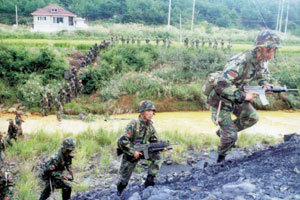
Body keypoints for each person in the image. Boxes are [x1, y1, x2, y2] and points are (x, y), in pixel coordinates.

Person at [207, 30, 280, 163]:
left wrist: (265, 84)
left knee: (252, 117)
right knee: (231, 136)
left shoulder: (261, 60)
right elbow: (220, 85)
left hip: (237, 97)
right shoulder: (241, 61)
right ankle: (220, 161)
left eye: (274, 50)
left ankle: (224, 133)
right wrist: (244, 95)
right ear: (261, 48)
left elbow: (262, 75)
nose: (272, 53)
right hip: (220, 99)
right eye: (270, 50)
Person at [116, 100, 167, 196]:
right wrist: (133, 152)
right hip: (131, 153)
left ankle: (149, 181)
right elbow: (122, 140)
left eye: (152, 111)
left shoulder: (150, 126)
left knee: (158, 156)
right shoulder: (134, 124)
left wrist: (161, 147)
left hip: (143, 151)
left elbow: (155, 141)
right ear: (142, 112)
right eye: (148, 111)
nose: (151, 113)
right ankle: (119, 191)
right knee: (123, 180)